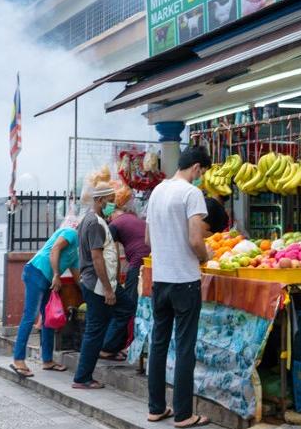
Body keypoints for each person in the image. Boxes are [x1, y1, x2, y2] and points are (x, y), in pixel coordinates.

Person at [144, 146, 213, 427]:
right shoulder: (192, 193)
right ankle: (184, 415)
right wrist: (207, 257)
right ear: (196, 168)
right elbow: (197, 240)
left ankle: (156, 408)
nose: (201, 178)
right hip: (185, 281)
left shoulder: (157, 191)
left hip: (160, 281)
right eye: (202, 172)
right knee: (185, 347)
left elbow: (148, 239)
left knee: (158, 345)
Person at [11, 217, 80, 377]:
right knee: (30, 316)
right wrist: (57, 275)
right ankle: (18, 359)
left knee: (48, 318)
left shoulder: (75, 253)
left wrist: (91, 293)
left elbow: (78, 277)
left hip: (48, 279)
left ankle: (47, 360)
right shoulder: (70, 233)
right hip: (36, 272)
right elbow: (55, 249)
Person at [73, 183, 119, 389]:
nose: (113, 204)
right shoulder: (94, 223)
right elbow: (97, 257)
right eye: (110, 200)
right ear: (100, 200)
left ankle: (110, 347)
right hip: (97, 285)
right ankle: (82, 377)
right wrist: (108, 289)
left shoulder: (92, 221)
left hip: (97, 283)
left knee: (124, 308)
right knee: (94, 330)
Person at [98, 207, 150, 361]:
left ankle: (109, 348)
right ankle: (124, 345)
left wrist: (113, 280)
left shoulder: (114, 224)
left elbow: (112, 255)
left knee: (127, 305)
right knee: (142, 305)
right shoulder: (135, 219)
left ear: (112, 215)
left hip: (138, 262)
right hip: (152, 262)